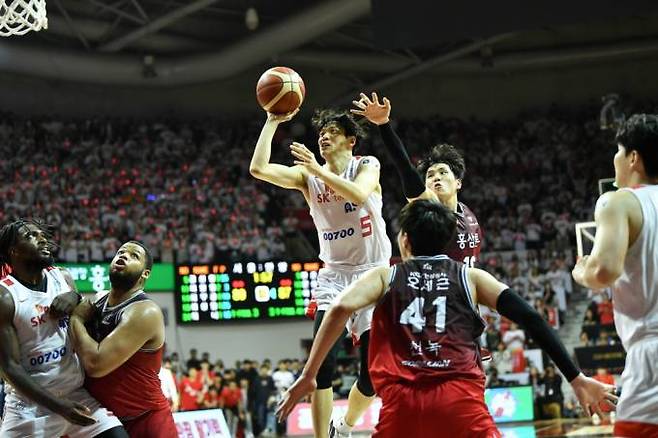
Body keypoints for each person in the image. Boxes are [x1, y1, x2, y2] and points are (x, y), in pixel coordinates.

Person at [278, 200, 617, 437]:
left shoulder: (385, 277)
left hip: (403, 405)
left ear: (405, 241)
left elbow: (337, 308)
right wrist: (575, 377)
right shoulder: (472, 278)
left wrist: (310, 373)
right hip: (461, 403)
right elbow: (531, 318)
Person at [250, 107, 391, 438]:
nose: (324, 137)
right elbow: (257, 168)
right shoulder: (308, 178)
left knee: (371, 373)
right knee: (322, 366)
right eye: (321, 133)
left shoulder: (367, 165)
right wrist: (272, 121)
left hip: (373, 273)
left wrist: (316, 168)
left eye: (332, 132)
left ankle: (345, 426)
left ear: (351, 141)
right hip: (334, 277)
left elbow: (357, 193)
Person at [572, 114, 658, 437]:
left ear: (633, 157)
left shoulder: (618, 201)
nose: (615, 160)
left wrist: (583, 272)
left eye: (618, 152)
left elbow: (604, 270)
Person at [0, 219, 127, 437]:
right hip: (30, 407)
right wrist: (60, 407)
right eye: (30, 236)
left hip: (75, 394)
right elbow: (10, 369)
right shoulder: (5, 296)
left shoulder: (63, 277)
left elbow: (85, 319)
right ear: (14, 251)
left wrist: (76, 297)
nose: (42, 239)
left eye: (41, 234)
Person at [351, 92, 482, 267]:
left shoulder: (467, 213)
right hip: (434, 289)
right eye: (430, 175)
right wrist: (384, 124)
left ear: (458, 182)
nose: (436, 177)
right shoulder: (430, 208)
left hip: (465, 289)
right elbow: (405, 167)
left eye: (443, 172)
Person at [68, 241, 176, 437]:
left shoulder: (145, 311)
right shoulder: (99, 303)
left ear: (145, 273)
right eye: (120, 252)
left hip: (145, 420)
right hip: (106, 421)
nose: (124, 256)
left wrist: (75, 318)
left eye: (134, 256)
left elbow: (95, 363)